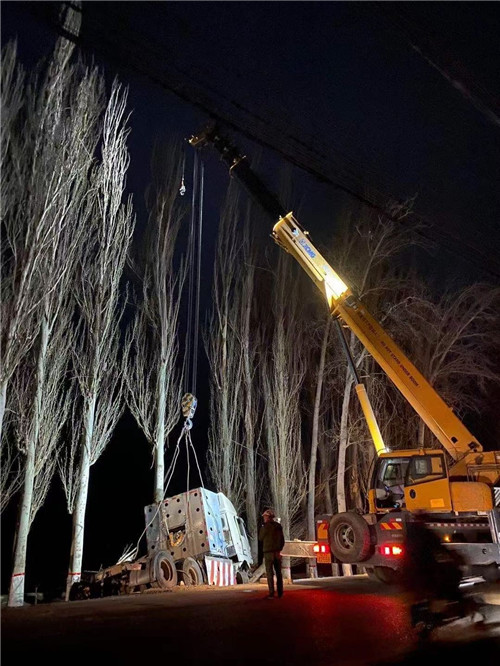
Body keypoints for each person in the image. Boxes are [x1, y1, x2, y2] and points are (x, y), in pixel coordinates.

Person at [258, 509, 285, 599]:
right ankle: (280, 593)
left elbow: (260, 538)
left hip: (268, 553)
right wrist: (279, 549)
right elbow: (282, 540)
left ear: (268, 517)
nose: (264, 518)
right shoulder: (278, 526)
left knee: (270, 573)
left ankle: (271, 593)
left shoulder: (265, 527)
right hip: (277, 552)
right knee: (278, 573)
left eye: (265, 517)